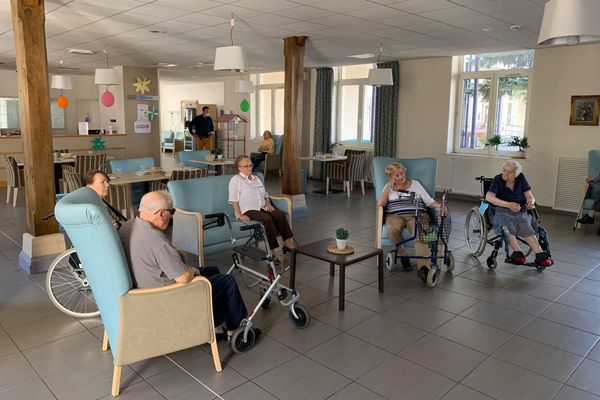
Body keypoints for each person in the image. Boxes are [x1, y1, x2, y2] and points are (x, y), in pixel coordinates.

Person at [119, 191, 257, 341]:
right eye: (171, 212)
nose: (171, 216)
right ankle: (237, 330)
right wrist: (192, 270)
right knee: (226, 282)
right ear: (161, 214)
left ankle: (214, 326)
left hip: (145, 285)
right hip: (165, 296)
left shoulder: (128, 227)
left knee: (212, 270)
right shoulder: (156, 240)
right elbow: (183, 278)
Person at [378, 162, 441, 280]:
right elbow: (381, 203)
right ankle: (402, 253)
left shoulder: (415, 184)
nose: (401, 177)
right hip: (395, 215)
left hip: (416, 214)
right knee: (391, 228)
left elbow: (428, 201)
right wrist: (389, 186)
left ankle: (424, 269)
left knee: (419, 233)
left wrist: (440, 207)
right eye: (396, 175)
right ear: (391, 177)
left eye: (402, 173)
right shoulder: (388, 187)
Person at [485, 160, 553, 266]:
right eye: (504, 170)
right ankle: (517, 252)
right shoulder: (498, 179)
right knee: (507, 224)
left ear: (516, 174)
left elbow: (529, 195)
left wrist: (530, 202)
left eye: (510, 172)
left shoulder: (521, 178)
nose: (505, 173)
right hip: (501, 210)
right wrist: (508, 205)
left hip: (520, 211)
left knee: (524, 221)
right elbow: (489, 197)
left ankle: (540, 254)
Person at [228, 155, 295, 253]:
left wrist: (268, 204)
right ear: (239, 168)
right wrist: (240, 215)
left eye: (250, 165)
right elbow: (233, 200)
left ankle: (287, 243)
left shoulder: (256, 178)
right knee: (267, 219)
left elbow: (265, 194)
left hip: (262, 206)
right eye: (245, 166)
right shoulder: (236, 179)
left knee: (279, 215)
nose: (249, 168)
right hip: (248, 210)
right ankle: (271, 252)